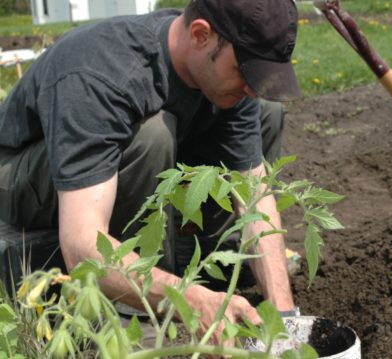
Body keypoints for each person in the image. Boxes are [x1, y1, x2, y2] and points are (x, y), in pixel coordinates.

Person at [0, 0, 301, 344]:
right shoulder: (101, 71)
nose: (251, 85)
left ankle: (205, 260)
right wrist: (188, 299)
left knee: (265, 110)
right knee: (151, 135)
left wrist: (285, 320)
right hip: (20, 178)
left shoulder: (227, 57)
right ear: (201, 35)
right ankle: (133, 313)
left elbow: (255, 199)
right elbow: (82, 244)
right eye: (246, 71)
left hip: (104, 161)